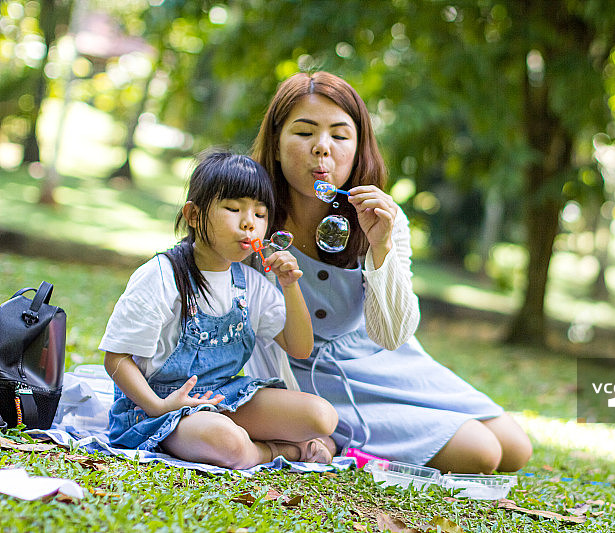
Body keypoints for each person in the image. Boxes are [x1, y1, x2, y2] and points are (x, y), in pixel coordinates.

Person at [244, 71, 533, 473]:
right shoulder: (250, 217)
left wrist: (381, 247)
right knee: (482, 453)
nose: (322, 149)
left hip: (380, 357)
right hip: (307, 372)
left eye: (340, 136)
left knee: (515, 448)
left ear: (358, 148)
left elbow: (393, 335)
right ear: (275, 145)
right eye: (304, 133)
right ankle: (354, 453)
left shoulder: (381, 219)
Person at [99, 150, 338, 469]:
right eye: (233, 208)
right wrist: (158, 405)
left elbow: (299, 347)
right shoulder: (161, 276)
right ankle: (280, 451)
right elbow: (116, 358)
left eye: (260, 213)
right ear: (194, 215)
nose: (248, 223)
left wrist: (290, 285)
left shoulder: (251, 284)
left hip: (221, 397)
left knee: (323, 418)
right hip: (154, 409)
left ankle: (250, 442)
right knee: (228, 442)